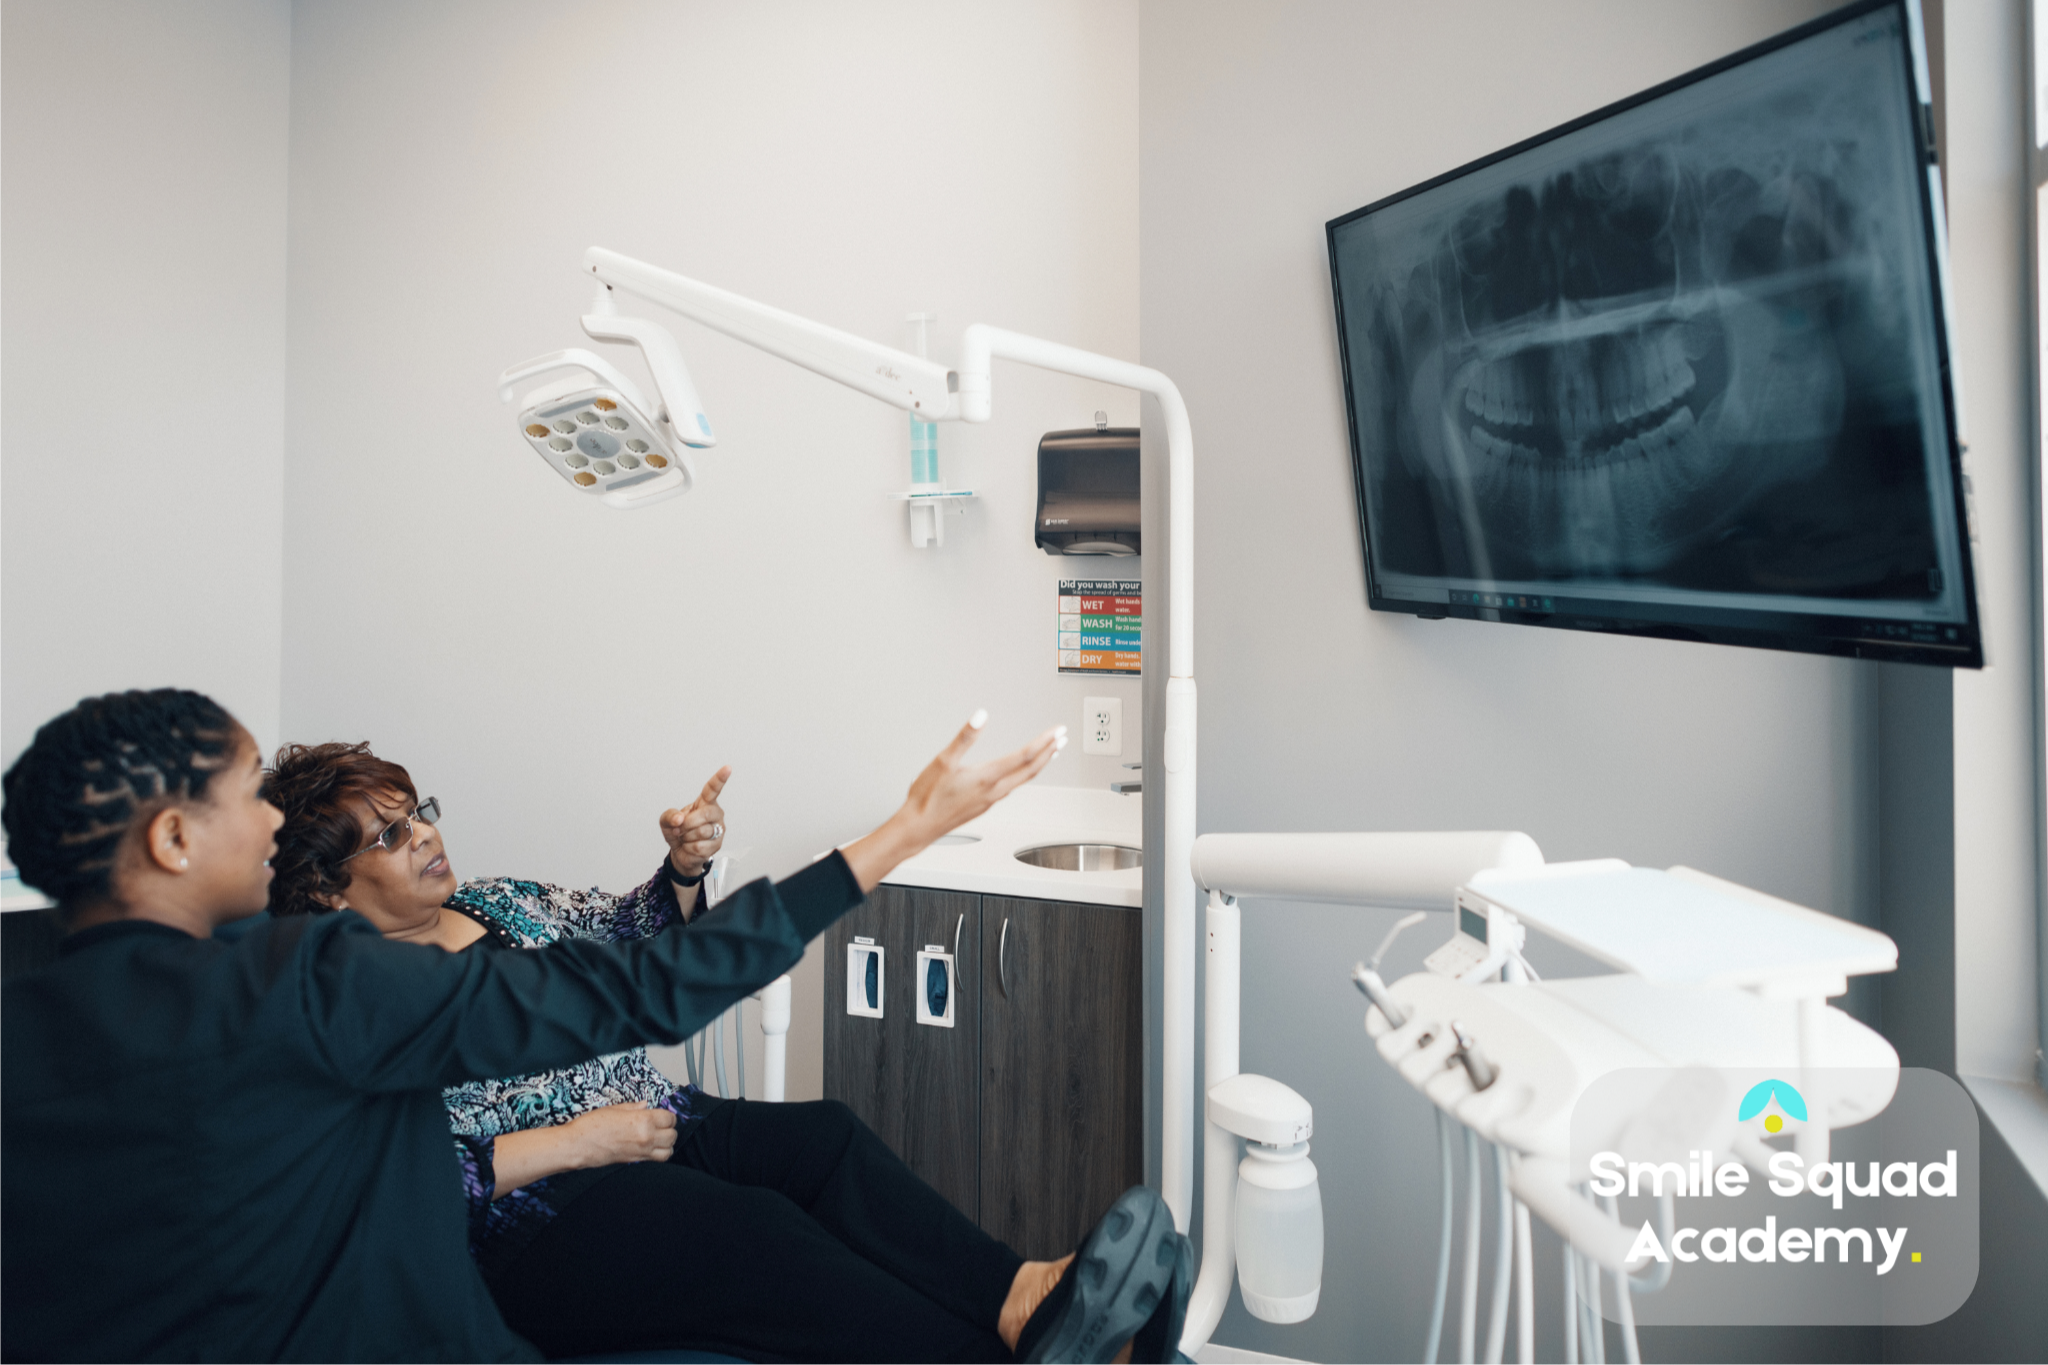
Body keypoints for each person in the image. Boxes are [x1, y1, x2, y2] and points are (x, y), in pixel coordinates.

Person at [0, 688, 1181, 1365]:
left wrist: (681, 874)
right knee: (745, 1230)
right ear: (172, 839)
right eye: (244, 795)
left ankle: (1021, 1302)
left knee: (802, 1144)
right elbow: (641, 991)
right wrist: (900, 834)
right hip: (529, 1231)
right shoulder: (307, 982)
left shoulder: (28, 1033)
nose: (264, 823)